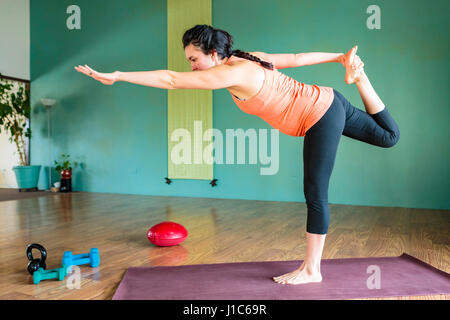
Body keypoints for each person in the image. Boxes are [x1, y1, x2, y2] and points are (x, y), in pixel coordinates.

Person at [75, 24, 400, 285]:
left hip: (320, 115)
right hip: (331, 100)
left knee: (315, 193)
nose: (191, 66)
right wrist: (339, 58)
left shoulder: (232, 72)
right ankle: (361, 78)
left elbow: (171, 80)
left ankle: (312, 270)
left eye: (193, 59)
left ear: (214, 54)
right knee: (389, 136)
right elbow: (298, 57)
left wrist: (117, 77)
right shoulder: (248, 57)